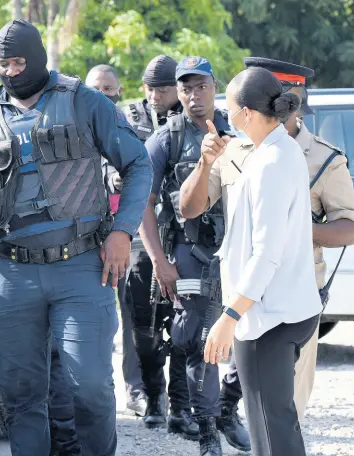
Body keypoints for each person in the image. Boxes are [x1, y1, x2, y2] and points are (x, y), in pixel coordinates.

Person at [0, 19, 151, 456]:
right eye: (3, 63)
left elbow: (138, 166)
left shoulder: (85, 103)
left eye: (19, 62)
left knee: (90, 387)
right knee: (19, 395)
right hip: (8, 275)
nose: (12, 71)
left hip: (80, 268)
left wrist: (123, 232)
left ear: (38, 58)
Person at [179, 58, 354, 426]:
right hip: (244, 290)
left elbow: (350, 228)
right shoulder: (235, 149)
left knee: (285, 408)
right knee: (260, 411)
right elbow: (190, 208)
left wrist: (291, 230)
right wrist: (204, 163)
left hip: (293, 295)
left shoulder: (322, 157)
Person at [196, 66, 322, 456]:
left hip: (270, 317)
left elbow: (267, 254)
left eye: (229, 107)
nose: (225, 114)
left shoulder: (271, 161)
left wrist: (229, 317)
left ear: (247, 113)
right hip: (278, 309)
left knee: (271, 431)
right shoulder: (277, 150)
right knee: (276, 425)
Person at [140, 56, 228, 456]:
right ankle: (207, 429)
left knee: (252, 333)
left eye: (201, 87)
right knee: (197, 337)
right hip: (188, 251)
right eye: (186, 88)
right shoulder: (166, 138)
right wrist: (160, 261)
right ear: (178, 93)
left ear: (214, 86)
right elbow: (143, 202)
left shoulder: (238, 128)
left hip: (239, 251)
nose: (194, 96)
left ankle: (233, 408)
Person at [116, 56, 199, 439]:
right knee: (142, 325)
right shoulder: (127, 116)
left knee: (185, 323)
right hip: (139, 230)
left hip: (183, 232)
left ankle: (181, 404)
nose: (154, 96)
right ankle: (153, 397)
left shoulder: (192, 123)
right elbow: (107, 159)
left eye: (162, 89)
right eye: (149, 88)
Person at [84, 63, 149, 421]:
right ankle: (98, 391)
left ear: (120, 92)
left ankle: (135, 389)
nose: (104, 94)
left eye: (110, 89)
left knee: (131, 314)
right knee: (95, 320)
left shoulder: (127, 129)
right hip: (86, 241)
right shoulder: (75, 126)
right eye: (97, 88)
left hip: (127, 237)